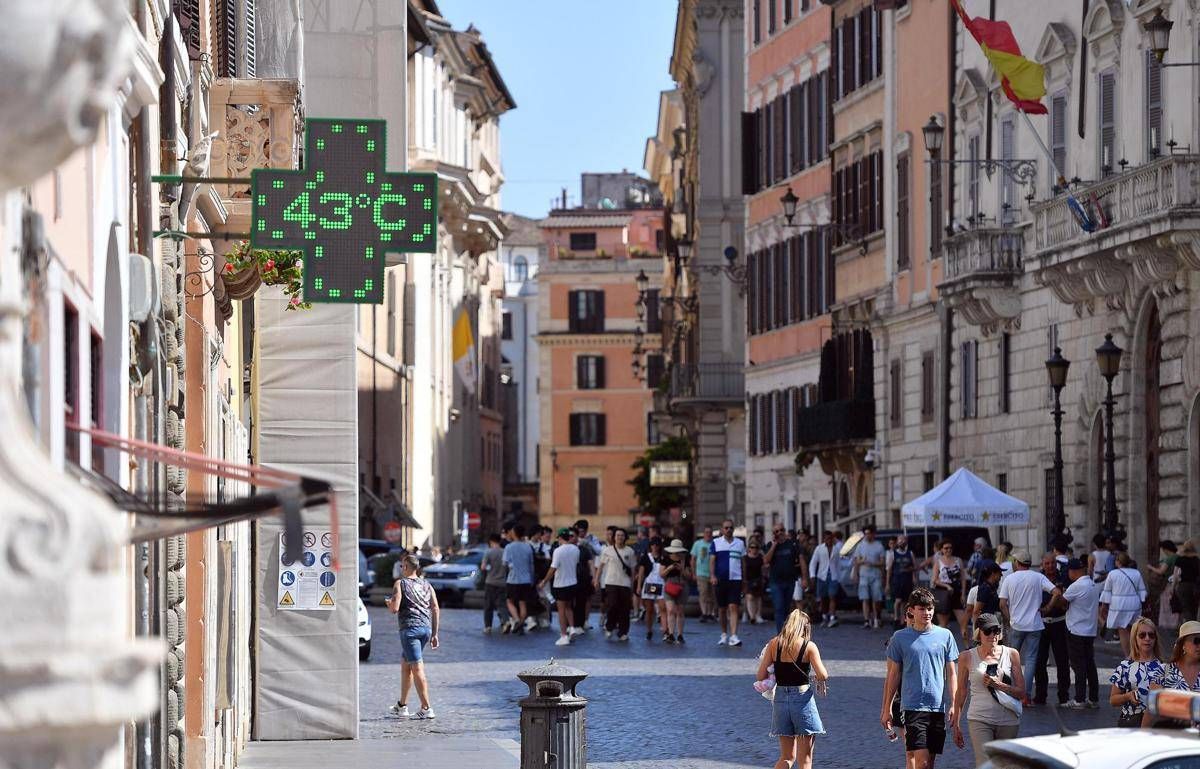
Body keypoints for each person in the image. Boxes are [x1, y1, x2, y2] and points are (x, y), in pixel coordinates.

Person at [881, 588, 960, 769]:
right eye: (922, 609)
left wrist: (955, 704)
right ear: (911, 610)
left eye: (930, 608)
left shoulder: (945, 636)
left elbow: (952, 673)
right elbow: (893, 675)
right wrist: (886, 709)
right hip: (912, 707)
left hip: (937, 707)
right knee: (921, 763)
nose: (927, 613)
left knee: (929, 763)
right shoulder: (899, 638)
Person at [756, 610, 829, 769]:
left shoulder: (774, 644)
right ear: (805, 627)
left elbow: (760, 675)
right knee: (805, 760)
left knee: (787, 757)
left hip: (780, 700)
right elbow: (823, 675)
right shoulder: (809, 646)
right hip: (802, 700)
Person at [951, 613, 1024, 768]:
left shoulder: (1012, 654)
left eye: (996, 630)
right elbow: (961, 691)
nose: (993, 635)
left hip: (1008, 720)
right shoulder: (966, 657)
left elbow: (1021, 692)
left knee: (1006, 765)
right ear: (979, 633)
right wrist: (956, 722)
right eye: (988, 631)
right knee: (986, 765)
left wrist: (999, 685)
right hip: (979, 719)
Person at [998, 549, 1062, 698]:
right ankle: (1025, 694)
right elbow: (1057, 593)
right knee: (1031, 659)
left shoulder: (1010, 579)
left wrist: (1010, 619)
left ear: (1016, 562)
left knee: (1012, 659)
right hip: (1035, 624)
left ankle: (1012, 690)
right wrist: (1047, 608)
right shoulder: (1038, 577)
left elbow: (1002, 604)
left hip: (1016, 624)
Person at [386, 555, 439, 719]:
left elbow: (395, 609)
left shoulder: (400, 584)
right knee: (406, 665)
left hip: (410, 631)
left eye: (402, 566)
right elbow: (435, 608)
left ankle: (426, 708)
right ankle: (402, 706)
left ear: (406, 567)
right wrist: (435, 633)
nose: (401, 569)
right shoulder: (427, 584)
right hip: (425, 629)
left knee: (417, 668)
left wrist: (389, 603)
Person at [1108, 616, 1164, 727]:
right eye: (1142, 635)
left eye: (1151, 635)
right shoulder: (1125, 667)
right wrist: (1128, 696)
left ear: (1155, 639)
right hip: (1131, 723)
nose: (1147, 638)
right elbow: (1113, 700)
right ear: (1135, 638)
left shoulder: (1164, 667)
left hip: (1156, 724)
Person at [1032, 553, 1071, 707]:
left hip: (1059, 623)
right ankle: (1040, 695)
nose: (1050, 566)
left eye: (1052, 563)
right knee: (1039, 662)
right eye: (1047, 563)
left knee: (1062, 661)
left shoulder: (1064, 578)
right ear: (1042, 564)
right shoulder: (1037, 578)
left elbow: (1066, 602)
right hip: (1041, 624)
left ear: (1056, 563)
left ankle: (1064, 696)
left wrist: (1054, 603)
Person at [1062, 557, 1101, 708]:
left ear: (1073, 571)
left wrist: (1057, 594)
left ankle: (1079, 699)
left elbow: (1062, 602)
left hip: (1076, 630)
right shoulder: (1092, 584)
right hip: (1089, 630)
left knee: (1078, 666)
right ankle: (1093, 698)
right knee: (1090, 664)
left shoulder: (1076, 586)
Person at [1148, 620, 1200, 726]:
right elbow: (1152, 708)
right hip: (1171, 733)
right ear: (1183, 645)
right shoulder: (1164, 671)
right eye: (1196, 641)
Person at [538, 528, 583, 647]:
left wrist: (544, 581)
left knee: (561, 610)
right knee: (569, 607)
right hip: (573, 582)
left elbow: (553, 568)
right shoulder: (576, 549)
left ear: (560, 538)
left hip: (560, 584)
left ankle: (563, 635)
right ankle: (572, 628)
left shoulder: (558, 551)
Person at [1100, 552, 1149, 658]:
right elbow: (1142, 591)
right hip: (1134, 604)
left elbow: (1107, 591)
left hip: (1118, 605)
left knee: (1122, 631)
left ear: (1118, 562)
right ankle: (1136, 654)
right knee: (1133, 630)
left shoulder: (1113, 574)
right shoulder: (1136, 573)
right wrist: (1142, 601)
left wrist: (1104, 606)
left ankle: (1128, 656)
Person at [710, 519, 748, 647]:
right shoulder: (716, 543)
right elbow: (712, 561)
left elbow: (743, 562)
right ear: (722, 529)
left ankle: (734, 635)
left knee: (734, 607)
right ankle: (724, 634)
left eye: (731, 527)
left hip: (735, 579)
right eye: (726, 528)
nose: (729, 530)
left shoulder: (740, 543)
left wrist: (744, 579)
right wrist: (712, 575)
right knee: (722, 609)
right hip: (721, 580)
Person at [596, 528, 637, 641]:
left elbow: (633, 569)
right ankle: (610, 627)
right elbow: (600, 567)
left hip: (625, 583)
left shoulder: (630, 551)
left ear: (625, 537)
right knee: (612, 605)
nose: (620, 537)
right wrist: (596, 580)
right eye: (617, 535)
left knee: (625, 608)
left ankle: (623, 632)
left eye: (622, 535)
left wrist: (633, 583)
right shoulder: (607, 550)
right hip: (611, 582)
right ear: (614, 537)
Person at [765, 523, 804, 633]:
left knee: (786, 608)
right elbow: (766, 560)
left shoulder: (792, 544)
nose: (780, 533)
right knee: (779, 607)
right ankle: (780, 633)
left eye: (781, 530)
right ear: (773, 534)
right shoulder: (770, 545)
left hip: (790, 580)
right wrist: (774, 545)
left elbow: (801, 560)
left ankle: (786, 631)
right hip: (776, 582)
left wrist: (805, 578)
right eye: (776, 531)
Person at [502, 524, 536, 634]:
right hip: (526, 579)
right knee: (523, 603)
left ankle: (517, 620)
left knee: (509, 601)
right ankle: (521, 623)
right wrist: (532, 579)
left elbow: (505, 563)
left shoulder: (509, 547)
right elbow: (531, 564)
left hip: (513, 579)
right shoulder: (528, 547)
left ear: (514, 533)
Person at [930, 540, 968, 639]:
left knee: (963, 622)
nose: (948, 550)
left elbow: (963, 578)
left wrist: (963, 593)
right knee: (943, 625)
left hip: (956, 592)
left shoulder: (958, 560)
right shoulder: (938, 562)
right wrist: (947, 586)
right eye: (946, 548)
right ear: (941, 550)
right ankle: (941, 645)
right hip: (943, 592)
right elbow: (934, 580)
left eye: (950, 548)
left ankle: (967, 645)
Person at [809, 530, 843, 628]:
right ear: (824, 539)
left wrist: (839, 578)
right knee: (823, 598)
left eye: (830, 538)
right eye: (827, 538)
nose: (829, 540)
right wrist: (812, 575)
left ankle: (832, 617)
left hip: (833, 576)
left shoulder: (836, 549)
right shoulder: (819, 549)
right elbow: (813, 563)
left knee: (832, 596)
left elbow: (838, 564)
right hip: (822, 576)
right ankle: (824, 617)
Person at [855, 526, 886, 629]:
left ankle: (877, 618)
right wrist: (861, 563)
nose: (867, 535)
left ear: (873, 534)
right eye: (866, 533)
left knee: (876, 598)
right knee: (865, 598)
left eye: (869, 533)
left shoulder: (879, 546)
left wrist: (873, 563)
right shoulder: (860, 546)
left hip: (876, 575)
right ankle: (867, 620)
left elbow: (882, 562)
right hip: (864, 575)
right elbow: (857, 561)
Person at [661, 539, 692, 643]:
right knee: (670, 610)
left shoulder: (685, 559)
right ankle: (670, 634)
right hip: (669, 584)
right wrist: (669, 568)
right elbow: (661, 574)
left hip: (682, 585)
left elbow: (689, 576)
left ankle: (680, 634)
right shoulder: (666, 559)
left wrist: (681, 569)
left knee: (680, 611)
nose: (676, 552)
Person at [638, 537, 669, 641]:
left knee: (663, 608)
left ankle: (665, 630)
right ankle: (649, 630)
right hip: (649, 584)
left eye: (657, 545)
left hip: (661, 583)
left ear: (660, 546)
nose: (655, 547)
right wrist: (638, 586)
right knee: (649, 609)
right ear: (650, 546)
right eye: (653, 545)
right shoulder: (646, 557)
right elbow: (641, 572)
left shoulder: (664, 557)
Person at [480, 533, 509, 634]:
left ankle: (488, 626)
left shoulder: (488, 552)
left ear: (491, 541)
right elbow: (508, 566)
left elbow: (483, 567)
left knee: (488, 605)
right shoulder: (505, 552)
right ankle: (506, 621)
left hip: (490, 582)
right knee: (502, 604)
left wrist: (489, 569)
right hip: (502, 582)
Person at [888, 535, 917, 630]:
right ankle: (896, 619)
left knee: (905, 602)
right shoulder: (893, 554)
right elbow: (889, 569)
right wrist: (887, 583)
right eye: (900, 540)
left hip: (907, 580)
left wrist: (912, 574)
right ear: (897, 542)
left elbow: (915, 567)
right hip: (897, 580)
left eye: (904, 540)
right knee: (898, 600)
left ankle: (903, 621)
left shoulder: (910, 553)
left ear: (906, 542)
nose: (902, 542)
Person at [572, 522, 598, 632]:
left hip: (582, 579)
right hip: (569, 579)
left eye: (573, 536)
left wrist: (594, 577)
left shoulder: (584, 548)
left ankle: (580, 623)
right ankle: (571, 625)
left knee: (581, 601)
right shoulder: (563, 548)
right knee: (570, 603)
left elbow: (591, 563)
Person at [691, 527, 716, 623]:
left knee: (712, 595)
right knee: (703, 593)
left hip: (713, 573)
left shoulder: (714, 544)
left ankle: (710, 613)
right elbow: (693, 559)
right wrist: (694, 573)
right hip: (701, 573)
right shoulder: (697, 544)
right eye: (706, 532)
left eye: (710, 532)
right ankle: (704, 613)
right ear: (704, 533)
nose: (708, 534)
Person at [1172, 541, 1199, 623]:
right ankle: (1194, 625)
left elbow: (1175, 575)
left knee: (1186, 608)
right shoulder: (1197, 560)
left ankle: (1189, 626)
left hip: (1183, 586)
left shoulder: (1180, 560)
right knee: (1194, 608)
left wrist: (1173, 587)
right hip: (1195, 586)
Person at [971, 564, 1002, 629]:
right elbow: (976, 611)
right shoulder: (985, 588)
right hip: (985, 625)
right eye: (999, 573)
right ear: (993, 574)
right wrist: (977, 629)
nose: (1001, 575)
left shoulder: (992, 587)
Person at [744, 538, 766, 625]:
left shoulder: (760, 557)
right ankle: (752, 616)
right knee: (749, 597)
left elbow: (765, 566)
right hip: (748, 580)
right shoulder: (745, 558)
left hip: (758, 579)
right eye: (752, 547)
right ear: (749, 548)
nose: (754, 549)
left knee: (758, 597)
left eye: (756, 547)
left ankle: (758, 615)